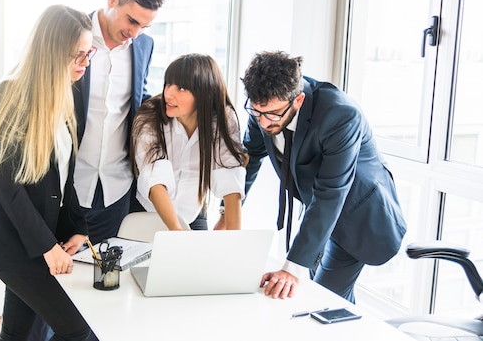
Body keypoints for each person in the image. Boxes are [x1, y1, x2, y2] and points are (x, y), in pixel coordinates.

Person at [0, 4, 96, 341]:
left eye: (88, 53)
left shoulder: (66, 94)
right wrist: (46, 247)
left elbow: (64, 178)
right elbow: (6, 185)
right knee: (79, 332)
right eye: (78, 55)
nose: (85, 63)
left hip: (38, 240)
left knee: (18, 333)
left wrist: (78, 229)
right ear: (53, 53)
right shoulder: (8, 95)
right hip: (12, 242)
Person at [233, 50, 407, 303]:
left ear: (298, 100)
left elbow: (331, 192)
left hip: (357, 215)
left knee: (322, 300)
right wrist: (229, 211)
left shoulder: (340, 115)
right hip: (317, 212)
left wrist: (291, 268)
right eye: (256, 112)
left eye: (272, 114)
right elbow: (251, 157)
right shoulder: (264, 110)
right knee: (317, 297)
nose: (263, 122)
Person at [73, 0, 165, 244]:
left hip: (117, 187)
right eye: (132, 21)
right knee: (56, 277)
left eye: (143, 27)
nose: (134, 33)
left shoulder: (143, 46)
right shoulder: (72, 34)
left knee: (106, 277)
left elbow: (138, 101)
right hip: (69, 184)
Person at [130, 53, 247, 230]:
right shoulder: (150, 115)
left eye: (181, 88)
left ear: (205, 93)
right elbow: (155, 180)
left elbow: (230, 176)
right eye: (168, 84)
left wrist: (232, 238)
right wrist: (179, 234)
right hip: (148, 210)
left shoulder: (224, 119)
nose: (168, 94)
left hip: (193, 211)